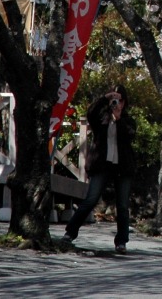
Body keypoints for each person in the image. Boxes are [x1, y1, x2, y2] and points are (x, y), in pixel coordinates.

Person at [62, 84, 137, 253]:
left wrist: (119, 120)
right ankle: (70, 233)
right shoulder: (100, 119)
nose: (117, 103)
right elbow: (90, 113)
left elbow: (131, 135)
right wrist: (105, 98)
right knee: (90, 199)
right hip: (102, 165)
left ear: (124, 102)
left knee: (123, 205)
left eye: (119, 100)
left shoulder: (127, 120)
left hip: (122, 166)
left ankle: (121, 242)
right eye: (114, 100)